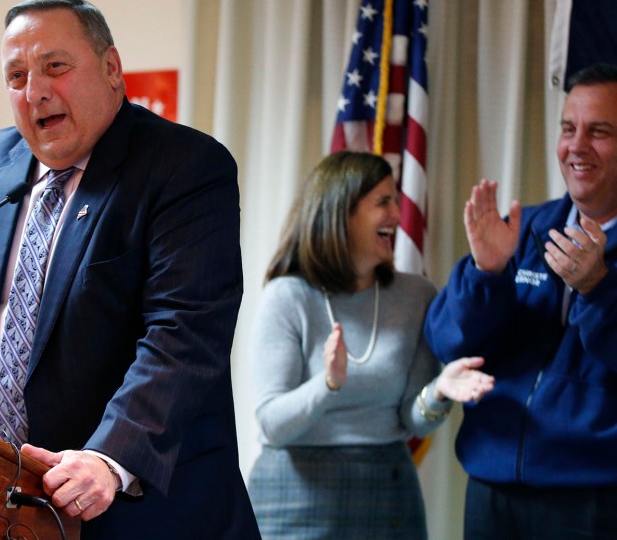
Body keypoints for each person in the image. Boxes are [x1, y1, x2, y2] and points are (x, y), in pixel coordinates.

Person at [0, 0, 260, 539]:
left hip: (140, 513)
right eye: (16, 76)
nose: (35, 91)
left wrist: (108, 458)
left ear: (111, 69)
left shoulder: (185, 168)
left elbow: (182, 337)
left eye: (55, 67)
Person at [247, 151, 494, 539]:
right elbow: (272, 425)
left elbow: (412, 419)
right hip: (293, 493)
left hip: (388, 490)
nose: (398, 214)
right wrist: (327, 385)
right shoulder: (287, 296)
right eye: (383, 202)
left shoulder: (417, 295)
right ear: (341, 212)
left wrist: (439, 390)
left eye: (396, 200)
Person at [425, 63, 617, 539]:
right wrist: (486, 273)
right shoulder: (524, 228)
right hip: (492, 489)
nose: (577, 146)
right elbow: (447, 341)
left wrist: (599, 289)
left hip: (594, 497)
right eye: (568, 128)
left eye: (600, 131)